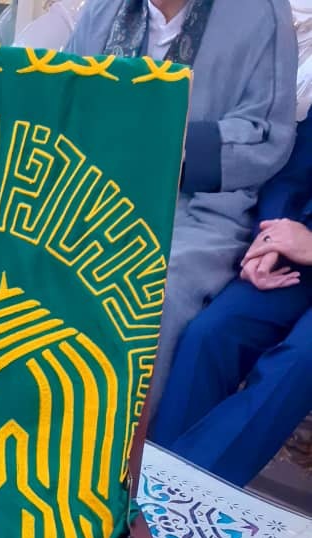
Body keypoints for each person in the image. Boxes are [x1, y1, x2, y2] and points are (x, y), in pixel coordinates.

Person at [19, 0, 299, 415]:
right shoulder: (103, 9)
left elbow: (267, 135)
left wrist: (159, 144)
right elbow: (66, 101)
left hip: (201, 206)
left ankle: (119, 441)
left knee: (147, 288)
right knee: (19, 259)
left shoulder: (260, 12)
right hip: (90, 194)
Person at [151, 110, 312, 485]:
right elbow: (294, 172)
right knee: (211, 333)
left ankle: (174, 497)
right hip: (297, 252)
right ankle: (149, 477)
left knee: (300, 361)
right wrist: (270, 238)